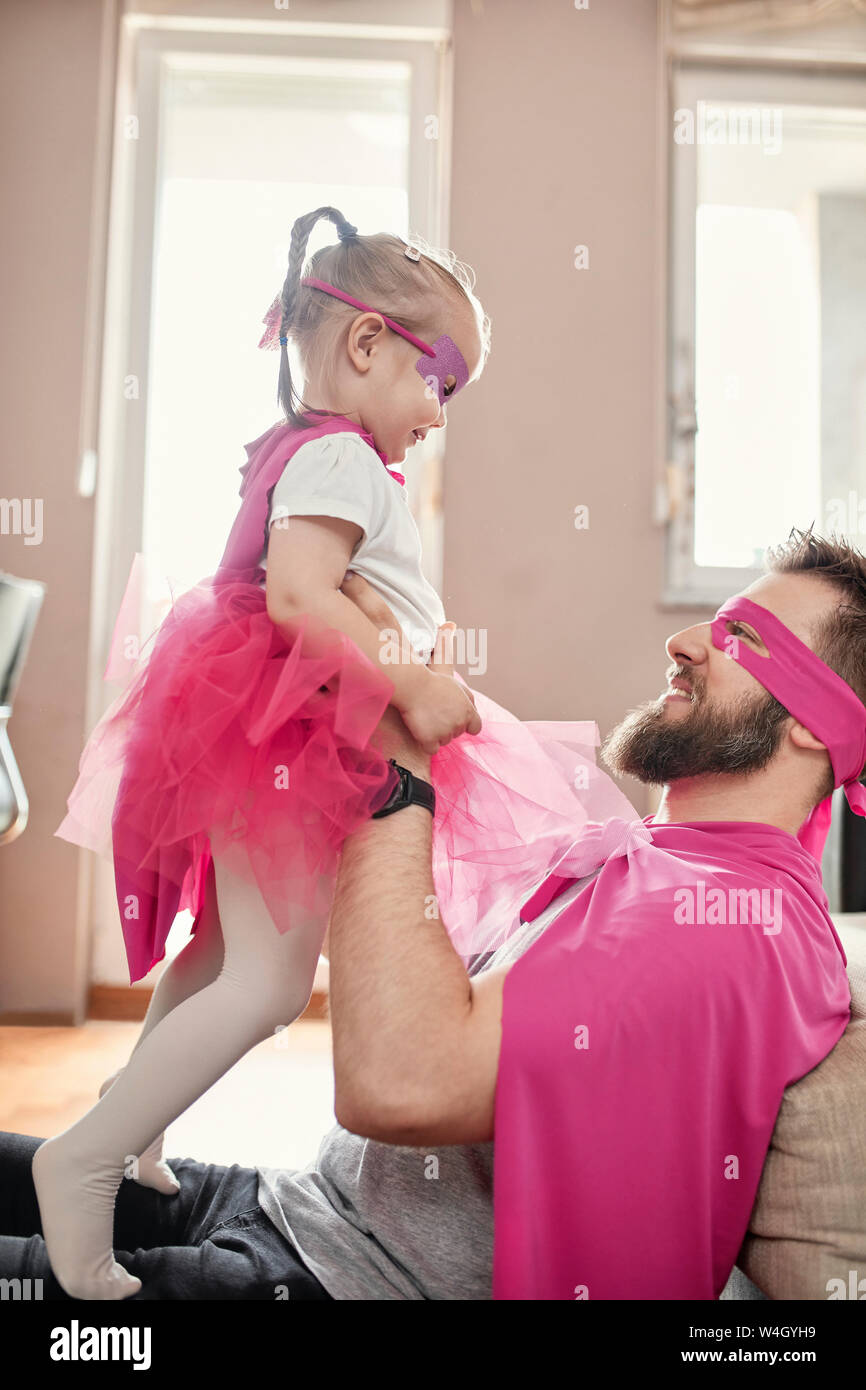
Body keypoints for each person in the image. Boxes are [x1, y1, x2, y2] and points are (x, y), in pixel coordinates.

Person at [2, 529, 858, 1300]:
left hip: (327, 1279)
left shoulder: (720, 919)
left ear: (816, 726)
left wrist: (393, 769)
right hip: (289, 1208)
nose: (683, 643)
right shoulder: (670, 869)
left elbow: (401, 1083)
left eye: (742, 637)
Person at [32, 207, 631, 1300]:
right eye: (438, 382)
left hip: (260, 719)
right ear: (367, 348)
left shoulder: (306, 449)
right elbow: (302, 595)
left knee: (218, 952)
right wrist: (404, 678)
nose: (437, 414)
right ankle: (82, 1158)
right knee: (265, 985)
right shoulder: (345, 458)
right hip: (290, 729)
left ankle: (136, 1128)